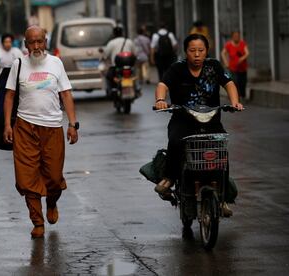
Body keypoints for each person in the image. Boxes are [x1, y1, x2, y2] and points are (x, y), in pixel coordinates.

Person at [153, 34, 244, 215]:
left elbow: (229, 84)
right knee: (176, 141)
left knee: (220, 152)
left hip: (211, 121)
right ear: (186, 52)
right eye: (192, 51)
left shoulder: (214, 66)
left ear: (206, 51)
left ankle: (223, 198)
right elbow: (163, 84)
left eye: (200, 51)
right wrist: (161, 100)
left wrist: (235, 102)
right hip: (182, 121)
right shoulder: (177, 68)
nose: (196, 55)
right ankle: (170, 177)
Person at [3, 26, 79, 239]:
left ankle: (52, 202)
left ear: (45, 41)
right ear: (25, 44)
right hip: (25, 127)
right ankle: (37, 222)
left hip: (53, 127)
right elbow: (9, 96)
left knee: (54, 178)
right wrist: (7, 126)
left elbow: (66, 94)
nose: (36, 47)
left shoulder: (56, 63)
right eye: (31, 43)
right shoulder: (18, 64)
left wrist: (73, 124)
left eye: (40, 42)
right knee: (27, 178)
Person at [102, 26, 136, 95]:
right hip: (129, 66)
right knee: (135, 75)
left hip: (116, 67)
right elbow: (134, 53)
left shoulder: (111, 43)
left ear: (114, 34)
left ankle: (111, 91)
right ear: (122, 33)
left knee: (108, 76)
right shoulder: (129, 41)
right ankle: (136, 88)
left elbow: (106, 55)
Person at [221, 31, 250, 100]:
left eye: (238, 36)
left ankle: (243, 95)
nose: (236, 37)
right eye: (235, 36)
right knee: (235, 82)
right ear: (232, 37)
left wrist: (242, 58)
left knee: (243, 83)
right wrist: (226, 62)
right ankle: (236, 96)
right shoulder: (228, 45)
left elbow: (247, 53)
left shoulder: (243, 43)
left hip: (243, 68)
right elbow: (223, 53)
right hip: (233, 68)